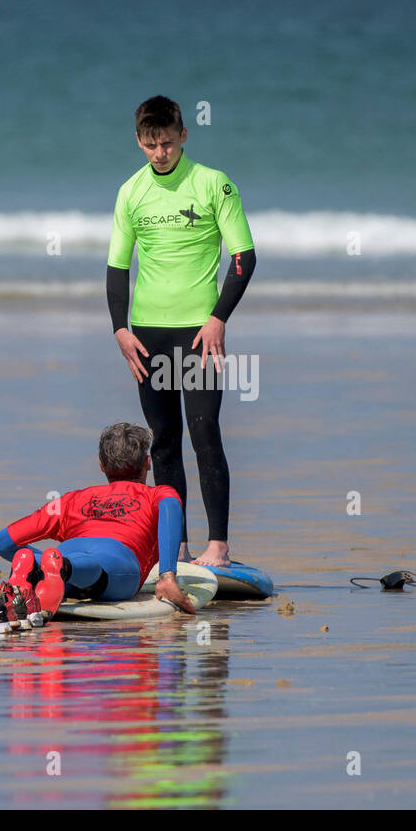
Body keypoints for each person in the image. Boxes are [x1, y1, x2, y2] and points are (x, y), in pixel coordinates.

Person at [106, 95, 257, 568]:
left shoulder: (214, 184)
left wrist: (218, 318)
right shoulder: (130, 192)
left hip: (197, 333)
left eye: (167, 143)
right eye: (150, 145)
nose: (159, 153)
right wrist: (120, 329)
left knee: (204, 432)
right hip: (147, 335)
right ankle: (176, 547)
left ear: (183, 135)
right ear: (138, 141)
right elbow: (116, 266)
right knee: (164, 440)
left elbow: (243, 257)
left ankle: (218, 546)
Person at [0, 422, 193, 614]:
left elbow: (0, 543)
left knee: (71, 566)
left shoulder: (71, 500)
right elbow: (171, 506)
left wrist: (44, 558)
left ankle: (43, 566)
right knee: (98, 567)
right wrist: (167, 575)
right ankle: (64, 568)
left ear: (102, 465)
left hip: (68, 550)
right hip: (118, 560)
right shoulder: (156, 494)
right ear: (147, 463)